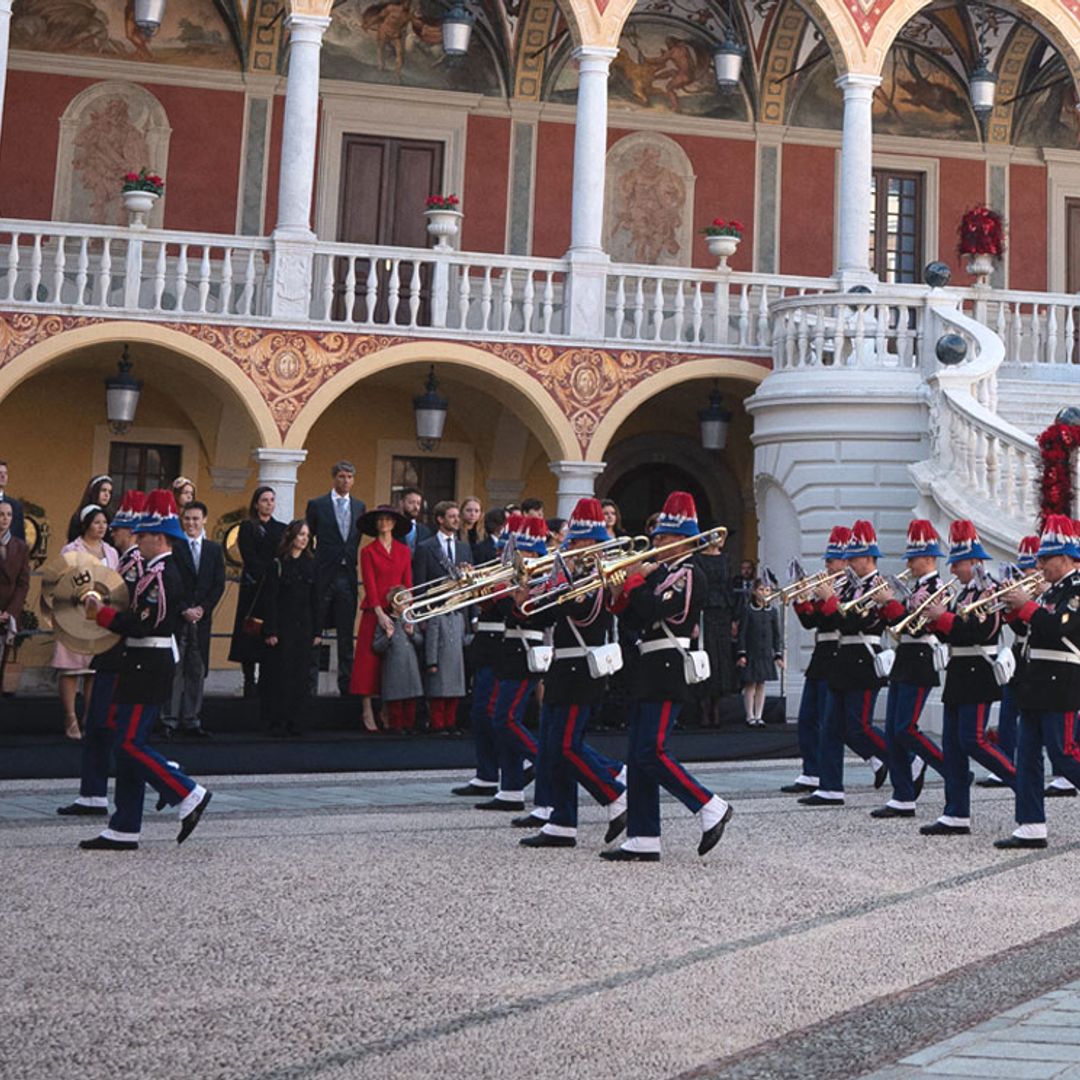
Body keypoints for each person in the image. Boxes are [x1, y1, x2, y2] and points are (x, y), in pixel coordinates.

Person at [602, 492, 733, 862]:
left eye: (662, 537)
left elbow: (664, 611)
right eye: (656, 536)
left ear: (681, 539)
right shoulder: (661, 572)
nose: (655, 543)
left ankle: (709, 804)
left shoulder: (691, 573)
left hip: (668, 667)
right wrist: (620, 592)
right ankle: (644, 836)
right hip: (648, 666)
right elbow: (632, 622)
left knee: (652, 751)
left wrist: (635, 585)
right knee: (638, 753)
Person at [80, 490, 211, 851]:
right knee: (126, 746)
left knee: (129, 743)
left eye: (144, 536)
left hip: (147, 664)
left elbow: (143, 623)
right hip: (139, 663)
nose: (137, 541)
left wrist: (102, 615)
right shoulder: (154, 571)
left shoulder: (161, 575)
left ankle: (187, 790)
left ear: (160, 538)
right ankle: (124, 826)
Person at [519, 498, 627, 850]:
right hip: (561, 669)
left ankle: (614, 793)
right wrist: (522, 591)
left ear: (596, 542)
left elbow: (587, 614)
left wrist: (559, 584)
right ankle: (562, 822)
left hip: (584, 669)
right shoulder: (571, 572)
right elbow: (538, 616)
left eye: (582, 542)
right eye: (574, 541)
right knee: (552, 747)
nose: (575, 547)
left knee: (567, 745)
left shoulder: (604, 573)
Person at [919, 519, 1016, 837]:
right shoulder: (962, 595)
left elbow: (981, 631)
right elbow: (953, 635)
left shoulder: (989, 591)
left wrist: (942, 618)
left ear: (973, 561)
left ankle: (1019, 779)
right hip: (959, 674)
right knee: (953, 745)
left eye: (958, 564)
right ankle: (956, 811)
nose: (954, 570)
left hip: (978, 673)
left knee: (972, 739)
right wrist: (931, 620)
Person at [56, 491, 145, 818]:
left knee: (112, 728)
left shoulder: (134, 564)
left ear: (129, 532)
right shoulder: (126, 561)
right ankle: (92, 794)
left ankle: (178, 789)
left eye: (117, 528)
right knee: (98, 726)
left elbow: (126, 610)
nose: (111, 532)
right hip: (107, 647)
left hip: (118, 650)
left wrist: (101, 612)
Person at [996, 515, 1080, 850]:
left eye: (1047, 558)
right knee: (1027, 753)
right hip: (1035, 681)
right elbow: (1032, 631)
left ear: (1066, 558)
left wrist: (1027, 607)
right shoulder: (1051, 591)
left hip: (1062, 681)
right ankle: (1031, 824)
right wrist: (1013, 608)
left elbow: (1059, 627)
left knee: (1063, 754)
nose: (1040, 564)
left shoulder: (1075, 589)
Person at [800, 520, 889, 808]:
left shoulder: (878, 586)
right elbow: (832, 620)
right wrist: (808, 600)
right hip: (842, 661)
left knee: (857, 727)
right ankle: (830, 787)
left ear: (868, 558)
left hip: (862, 661)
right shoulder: (852, 586)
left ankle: (904, 759)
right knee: (831, 727)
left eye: (853, 558)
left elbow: (854, 623)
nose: (848, 563)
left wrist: (829, 601)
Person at [871, 520, 947, 820]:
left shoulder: (937, 587)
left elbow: (921, 625)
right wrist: (885, 604)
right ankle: (902, 796)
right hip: (905, 657)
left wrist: (891, 603)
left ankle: (947, 768)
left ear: (929, 559)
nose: (910, 564)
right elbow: (899, 626)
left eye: (914, 559)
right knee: (892, 732)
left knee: (906, 728)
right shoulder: (914, 586)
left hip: (922, 658)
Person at [474, 514, 548, 813]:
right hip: (509, 649)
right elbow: (500, 610)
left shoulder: (542, 576)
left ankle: (541, 760)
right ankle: (511, 788)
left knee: (505, 718)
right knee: (499, 717)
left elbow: (526, 612)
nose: (515, 556)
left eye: (521, 551)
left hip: (526, 650)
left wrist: (503, 593)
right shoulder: (517, 574)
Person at [785, 526, 850, 794]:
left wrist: (828, 598)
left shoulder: (851, 588)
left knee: (828, 721)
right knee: (807, 718)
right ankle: (810, 771)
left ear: (845, 562)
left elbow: (837, 619)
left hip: (837, 654)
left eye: (832, 560)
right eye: (827, 560)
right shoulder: (827, 586)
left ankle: (830, 772)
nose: (827, 565)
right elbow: (811, 622)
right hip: (820, 656)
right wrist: (802, 598)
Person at [452, 513, 510, 797]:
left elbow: (503, 606)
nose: (498, 555)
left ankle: (525, 762)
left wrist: (483, 589)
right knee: (479, 712)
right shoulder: (494, 572)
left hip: (501, 646)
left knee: (493, 712)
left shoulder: (512, 579)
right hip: (484, 645)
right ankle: (486, 774)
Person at [54, 504, 119, 740]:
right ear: (86, 524)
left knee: (94, 669)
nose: (102, 527)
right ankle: (70, 716)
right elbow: (59, 582)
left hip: (101, 616)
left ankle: (90, 716)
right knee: (71, 669)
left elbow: (116, 582)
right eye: (97, 522)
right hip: (74, 614)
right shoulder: (71, 549)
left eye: (104, 523)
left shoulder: (111, 552)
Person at [163, 501, 225, 739]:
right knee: (175, 669)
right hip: (179, 617)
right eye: (187, 518)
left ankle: (191, 718)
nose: (191, 523)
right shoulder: (174, 548)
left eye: (195, 519)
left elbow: (218, 584)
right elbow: (170, 582)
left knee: (197, 669)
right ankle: (169, 719)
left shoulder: (213, 549)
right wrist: (184, 609)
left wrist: (202, 609)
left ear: (204, 520)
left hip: (202, 619)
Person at [305, 461, 366, 696]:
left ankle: (346, 685)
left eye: (349, 477)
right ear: (334, 478)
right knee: (315, 630)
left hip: (347, 574)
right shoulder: (318, 505)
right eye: (341, 476)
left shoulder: (359, 506)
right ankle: (310, 687)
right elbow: (308, 537)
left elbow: (355, 538)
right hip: (323, 573)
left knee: (345, 631)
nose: (345, 481)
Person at [350, 504, 412, 731]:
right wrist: (379, 613)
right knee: (368, 662)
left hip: (397, 611)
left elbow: (408, 583)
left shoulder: (404, 551)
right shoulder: (367, 551)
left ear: (394, 524)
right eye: (380, 520)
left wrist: (406, 611)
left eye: (388, 519)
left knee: (392, 662)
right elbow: (370, 583)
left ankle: (387, 709)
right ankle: (366, 710)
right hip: (374, 611)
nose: (384, 523)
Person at [414, 501, 473, 733]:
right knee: (436, 669)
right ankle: (436, 720)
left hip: (458, 614)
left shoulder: (464, 548)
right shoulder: (425, 547)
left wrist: (472, 618)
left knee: (456, 669)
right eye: (451, 516)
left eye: (457, 516)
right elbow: (419, 585)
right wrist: (423, 617)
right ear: (440, 519)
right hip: (436, 614)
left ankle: (451, 721)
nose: (456, 520)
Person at [261, 520, 321, 736]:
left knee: (300, 673)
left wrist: (317, 631)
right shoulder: (277, 564)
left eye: (307, 535)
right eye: (300, 534)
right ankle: (277, 720)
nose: (304, 539)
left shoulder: (312, 565)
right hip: (282, 625)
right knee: (280, 673)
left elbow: (316, 600)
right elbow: (270, 600)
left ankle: (297, 720)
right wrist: (271, 630)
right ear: (291, 536)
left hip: (304, 625)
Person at [228, 486, 286, 697]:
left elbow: (282, 554)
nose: (269, 503)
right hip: (253, 587)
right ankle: (248, 680)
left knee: (269, 632)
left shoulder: (281, 529)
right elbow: (248, 554)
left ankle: (265, 681)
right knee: (250, 633)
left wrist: (274, 575)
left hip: (273, 589)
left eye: (272, 500)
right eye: (264, 500)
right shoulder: (247, 527)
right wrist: (264, 572)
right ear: (256, 503)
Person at [372, 586, 424, 733]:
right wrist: (388, 636)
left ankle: (409, 725)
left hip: (410, 664)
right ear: (394, 604)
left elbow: (420, 641)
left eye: (409, 603)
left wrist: (412, 633)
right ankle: (396, 726)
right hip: (394, 665)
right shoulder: (386, 621)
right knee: (396, 699)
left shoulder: (411, 620)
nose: (408, 606)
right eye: (404, 603)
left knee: (410, 699)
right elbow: (376, 646)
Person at [736, 578, 783, 727]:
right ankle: (749, 715)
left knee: (761, 683)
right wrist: (741, 653)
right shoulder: (748, 610)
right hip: (752, 652)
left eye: (768, 590)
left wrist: (778, 654)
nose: (765, 593)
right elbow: (742, 633)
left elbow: (776, 634)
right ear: (755, 592)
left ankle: (759, 715)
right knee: (750, 684)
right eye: (761, 589)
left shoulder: (772, 612)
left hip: (765, 653)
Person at [0, 499, 30, 684]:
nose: (5, 519)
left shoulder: (20, 547)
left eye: (9, 515)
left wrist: (10, 612)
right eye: (1, 514)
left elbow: (23, 583)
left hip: (7, 613)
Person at [66, 474, 113, 543]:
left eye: (109, 492)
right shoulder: (79, 516)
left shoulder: (110, 515)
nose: (107, 495)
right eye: (103, 490)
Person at [398, 487, 431, 551]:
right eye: (411, 503)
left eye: (418, 503)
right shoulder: (392, 528)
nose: (416, 507)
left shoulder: (425, 531)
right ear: (401, 503)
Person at [0, 461, 26, 541]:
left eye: (5, 473)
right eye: (0, 473)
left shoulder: (15, 506)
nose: (3, 476)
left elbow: (20, 538)